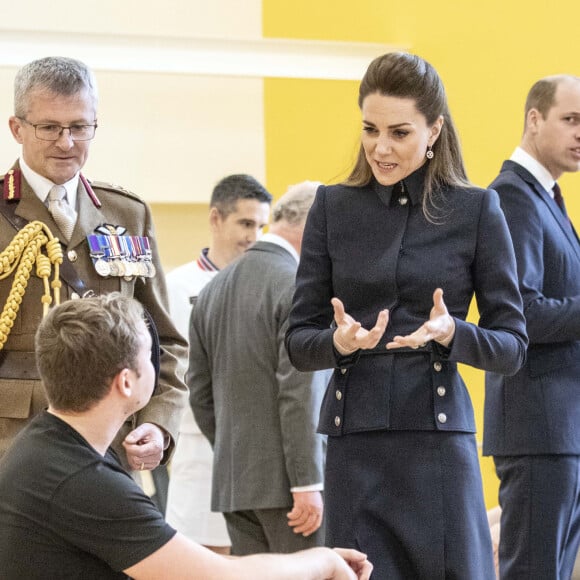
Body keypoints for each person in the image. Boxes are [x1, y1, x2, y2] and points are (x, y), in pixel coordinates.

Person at [284, 52, 528, 580]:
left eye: (399, 132)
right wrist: (338, 343)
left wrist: (453, 333)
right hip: (355, 445)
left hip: (437, 443)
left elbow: (512, 345)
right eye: (370, 129)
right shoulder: (332, 206)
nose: (381, 147)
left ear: (434, 129)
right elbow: (298, 340)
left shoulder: (477, 209)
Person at [0, 293, 373, 580]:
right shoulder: (82, 479)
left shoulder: (48, 442)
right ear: (126, 382)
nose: (159, 365)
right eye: (150, 355)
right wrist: (322, 560)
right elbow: (219, 576)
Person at [0, 56, 187, 474]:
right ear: (17, 129)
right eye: (49, 127)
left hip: (110, 452)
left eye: (80, 127)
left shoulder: (127, 214)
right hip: (13, 450)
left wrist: (158, 424)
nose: (66, 142)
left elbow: (166, 343)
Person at [189, 181, 328, 555]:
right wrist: (307, 481)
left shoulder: (213, 288)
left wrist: (240, 451)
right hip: (293, 491)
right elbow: (301, 391)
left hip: (236, 484)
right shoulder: (302, 286)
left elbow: (200, 393)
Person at [483, 74, 580, 580]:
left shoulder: (548, 197)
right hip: (539, 423)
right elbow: (521, 313)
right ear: (534, 119)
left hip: (560, 425)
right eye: (572, 120)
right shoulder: (513, 196)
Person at [165, 173, 272, 551]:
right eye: (245, 223)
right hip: (198, 446)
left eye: (262, 225)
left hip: (260, 454)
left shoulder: (270, 286)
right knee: (201, 558)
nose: (254, 236)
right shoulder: (174, 287)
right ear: (215, 219)